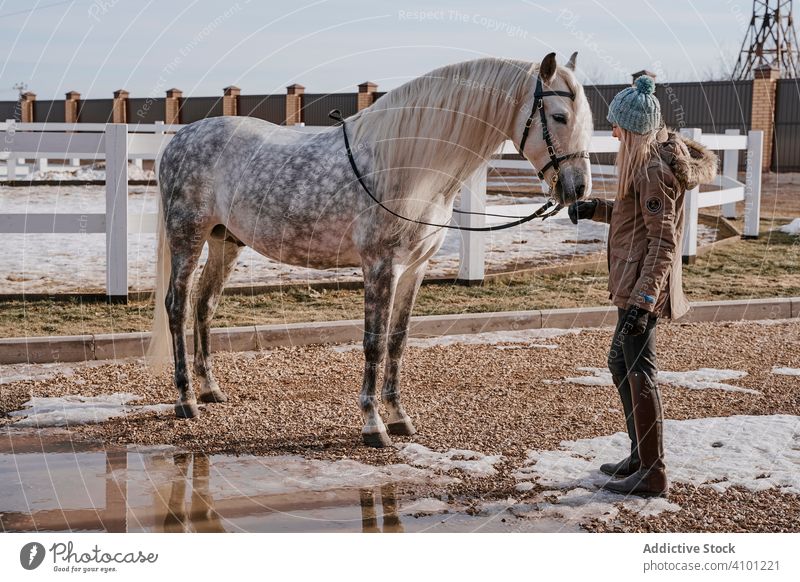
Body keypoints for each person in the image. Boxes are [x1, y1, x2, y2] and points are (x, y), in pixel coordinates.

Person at [568, 75, 717, 497]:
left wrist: (644, 301)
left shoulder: (652, 169)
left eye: (617, 126)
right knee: (621, 364)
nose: (612, 132)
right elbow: (636, 213)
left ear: (632, 129)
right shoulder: (645, 164)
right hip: (633, 285)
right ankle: (639, 456)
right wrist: (596, 209)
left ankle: (653, 472)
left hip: (641, 289)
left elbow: (663, 239)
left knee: (640, 371)